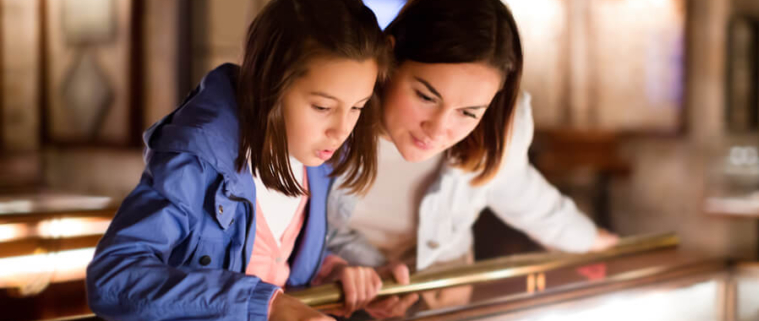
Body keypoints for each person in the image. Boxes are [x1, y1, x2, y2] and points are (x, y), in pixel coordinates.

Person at [86, 0, 391, 320]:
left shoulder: (318, 163)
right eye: (322, 107)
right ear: (269, 84)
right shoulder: (196, 162)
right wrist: (264, 305)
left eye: (357, 107)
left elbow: (268, 258)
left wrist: (329, 270)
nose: (341, 131)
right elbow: (113, 279)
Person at [326, 0, 620, 317]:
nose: (438, 129)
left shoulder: (495, 132)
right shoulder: (333, 114)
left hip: (441, 305)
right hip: (335, 296)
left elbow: (523, 194)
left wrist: (593, 241)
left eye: (468, 112)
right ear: (390, 55)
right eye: (425, 96)